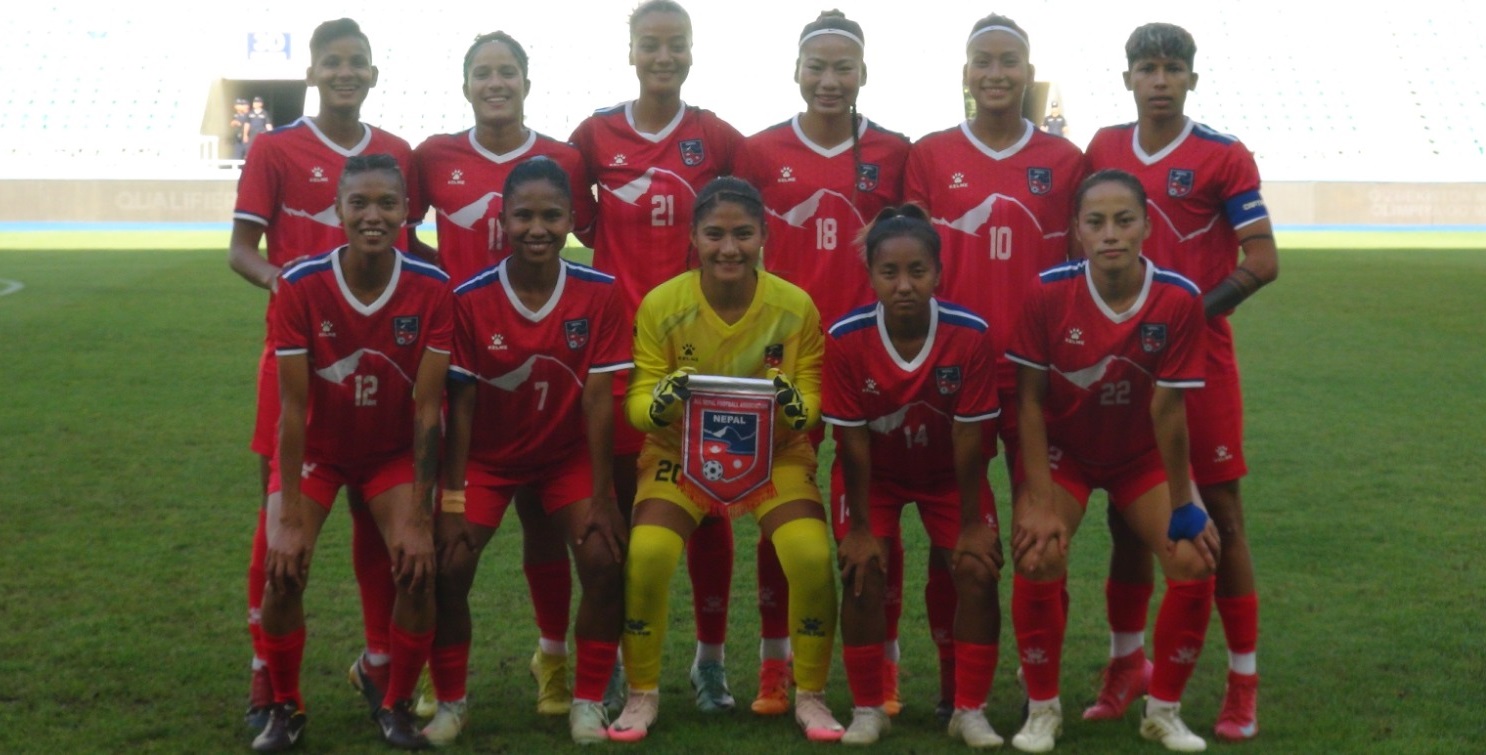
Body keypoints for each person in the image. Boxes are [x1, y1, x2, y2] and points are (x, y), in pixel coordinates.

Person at [1083, 23, 1278, 740]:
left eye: (1172, 68)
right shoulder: (1103, 148)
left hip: (1201, 364)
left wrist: (1190, 314)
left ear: (1192, 78)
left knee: (1222, 511)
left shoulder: (1224, 155)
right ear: (1128, 79)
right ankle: (1126, 665)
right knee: (1127, 513)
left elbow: (1263, 260)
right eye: (1147, 68)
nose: (1159, 80)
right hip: (1124, 361)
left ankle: (1242, 681)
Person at [228, 16, 420, 733]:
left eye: (356, 61)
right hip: (295, 359)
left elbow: (409, 245)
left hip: (378, 359)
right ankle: (268, 676)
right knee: (279, 522)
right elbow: (240, 250)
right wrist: (282, 282)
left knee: (379, 516)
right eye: (332, 61)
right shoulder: (275, 148)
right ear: (311, 73)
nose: (345, 72)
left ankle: (378, 663)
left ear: (373, 74)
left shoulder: (396, 153)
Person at [609, 176, 842, 743]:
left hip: (773, 455)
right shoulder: (663, 304)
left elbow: (812, 398)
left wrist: (796, 407)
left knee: (811, 557)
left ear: (764, 235)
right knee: (647, 555)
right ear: (693, 237)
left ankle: (810, 694)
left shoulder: (795, 307)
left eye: (743, 234)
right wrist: (661, 404)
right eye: (715, 234)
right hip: (682, 453)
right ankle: (642, 693)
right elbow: (639, 403)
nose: (729, 248)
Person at [409, 31, 598, 718]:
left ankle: (553, 659)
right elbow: (398, 227)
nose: (496, 83)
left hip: (543, 361)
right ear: (465, 84)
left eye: (508, 72)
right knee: (443, 531)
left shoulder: (563, 159)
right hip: (462, 358)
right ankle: (423, 666)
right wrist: (437, 285)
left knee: (545, 524)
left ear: (526, 81)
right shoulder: (433, 156)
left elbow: (593, 235)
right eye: (483, 73)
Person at [902, 13, 1085, 717]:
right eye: (984, 60)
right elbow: (910, 264)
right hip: (956, 377)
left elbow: (1080, 268)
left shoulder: (1064, 160)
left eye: (1009, 61)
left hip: (1040, 379)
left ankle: (1042, 689)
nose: (996, 73)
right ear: (966, 72)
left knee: (1044, 529)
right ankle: (958, 686)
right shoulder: (929, 155)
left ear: (1028, 72)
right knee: (954, 536)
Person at [568, 0, 746, 713]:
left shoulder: (717, 136)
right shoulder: (594, 135)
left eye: (676, 45)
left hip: (701, 348)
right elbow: (581, 221)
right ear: (632, 52)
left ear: (692, 52)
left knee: (711, 509)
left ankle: (710, 662)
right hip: (619, 351)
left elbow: (745, 224)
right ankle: (612, 659)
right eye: (651, 44)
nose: (664, 57)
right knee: (615, 509)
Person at [1005, 169, 1220, 753]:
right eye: (1095, 222)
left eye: (1124, 220)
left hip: (1139, 456)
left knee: (1194, 557)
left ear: (1147, 225)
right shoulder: (1047, 292)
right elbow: (1028, 401)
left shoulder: (1178, 298)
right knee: (1038, 551)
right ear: (1076, 230)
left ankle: (1163, 711)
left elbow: (1169, 410)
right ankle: (1043, 710)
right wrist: (1039, 502)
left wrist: (1185, 504)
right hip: (1066, 453)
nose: (1110, 234)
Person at [736, 8, 911, 717]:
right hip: (787, 353)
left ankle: (885, 664)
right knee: (779, 507)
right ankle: (774, 664)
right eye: (818, 67)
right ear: (797, 72)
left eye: (844, 67)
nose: (830, 80)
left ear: (864, 72)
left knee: (878, 513)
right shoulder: (757, 151)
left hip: (871, 353)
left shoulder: (894, 152)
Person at [424, 157, 629, 746]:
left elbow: (598, 399)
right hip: (487, 461)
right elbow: (461, 406)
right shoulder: (469, 298)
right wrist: (453, 500)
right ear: (503, 219)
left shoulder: (600, 292)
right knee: (449, 564)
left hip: (565, 458)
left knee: (604, 559)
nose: (537, 228)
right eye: (524, 216)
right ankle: (450, 703)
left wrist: (603, 496)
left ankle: (587, 702)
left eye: (551, 216)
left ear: (571, 218)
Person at [253, 154, 449, 752]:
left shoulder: (432, 286)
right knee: (283, 570)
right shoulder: (300, 283)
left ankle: (395, 705)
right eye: (358, 203)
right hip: (318, 451)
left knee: (418, 571)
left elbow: (428, 409)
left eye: (387, 203)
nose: (373, 215)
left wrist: (421, 518)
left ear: (407, 211)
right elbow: (292, 408)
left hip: (390, 454)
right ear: (337, 210)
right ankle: (285, 705)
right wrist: (289, 517)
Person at [822, 205, 1003, 746]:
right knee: (862, 570)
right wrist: (859, 528)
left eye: (917, 271)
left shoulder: (970, 334)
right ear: (871, 275)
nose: (904, 285)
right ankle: (868, 708)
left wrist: (971, 525)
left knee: (976, 569)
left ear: (938, 272)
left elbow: (970, 438)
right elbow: (852, 442)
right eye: (890, 272)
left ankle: (969, 709)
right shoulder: (846, 337)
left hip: (948, 476)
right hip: (875, 478)